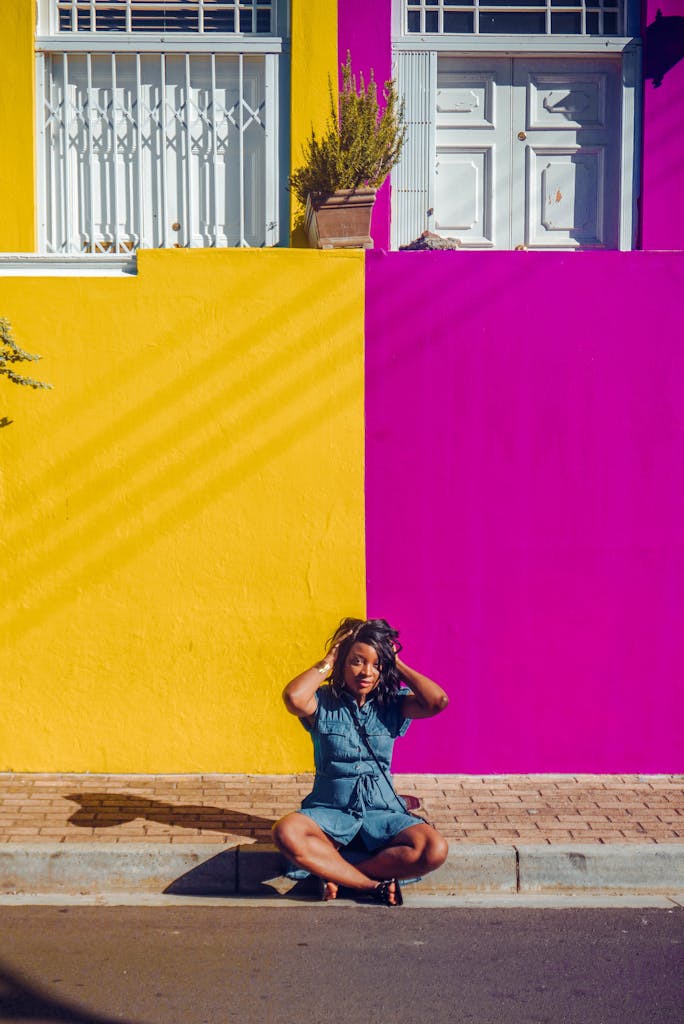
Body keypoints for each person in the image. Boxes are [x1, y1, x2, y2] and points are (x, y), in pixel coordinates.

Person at [272, 617, 449, 905]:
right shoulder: (323, 702)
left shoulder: (392, 704)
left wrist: (397, 663)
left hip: (382, 812)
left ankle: (339, 876)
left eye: (376, 664)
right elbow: (293, 697)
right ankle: (369, 886)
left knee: (434, 848)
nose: (366, 672)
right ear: (343, 662)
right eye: (356, 661)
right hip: (330, 811)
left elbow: (437, 701)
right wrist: (327, 660)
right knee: (286, 831)